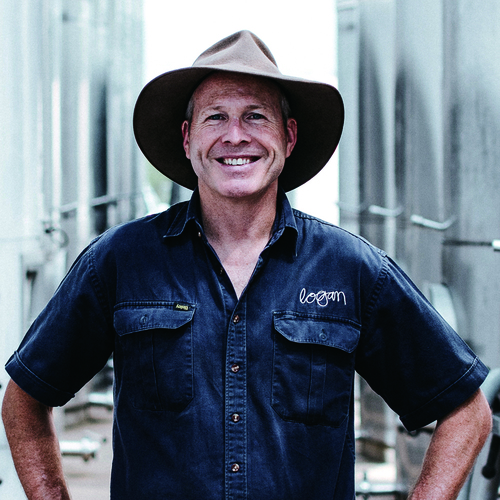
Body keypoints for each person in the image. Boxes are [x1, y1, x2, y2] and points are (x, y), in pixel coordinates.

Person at [1, 30, 492, 500]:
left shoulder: (351, 269)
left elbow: (466, 412)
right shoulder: (120, 260)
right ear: (188, 138)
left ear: (289, 137)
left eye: (255, 116)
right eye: (216, 117)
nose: (235, 136)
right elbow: (24, 399)